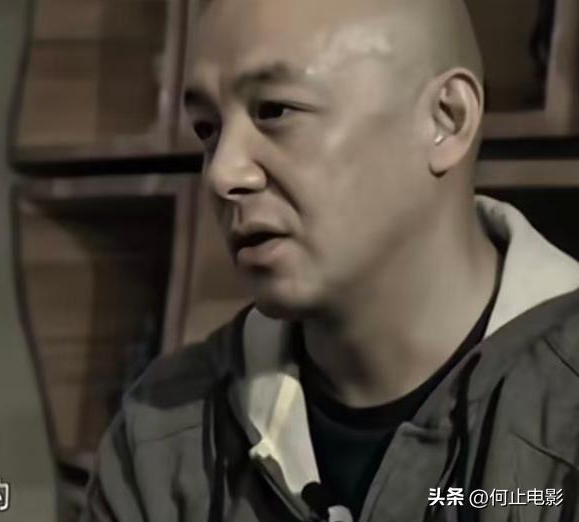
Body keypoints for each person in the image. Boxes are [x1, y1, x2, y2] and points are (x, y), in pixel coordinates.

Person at [87, 0, 579, 520]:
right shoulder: (164, 440)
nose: (224, 174)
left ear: (447, 118)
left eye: (274, 111)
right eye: (207, 129)